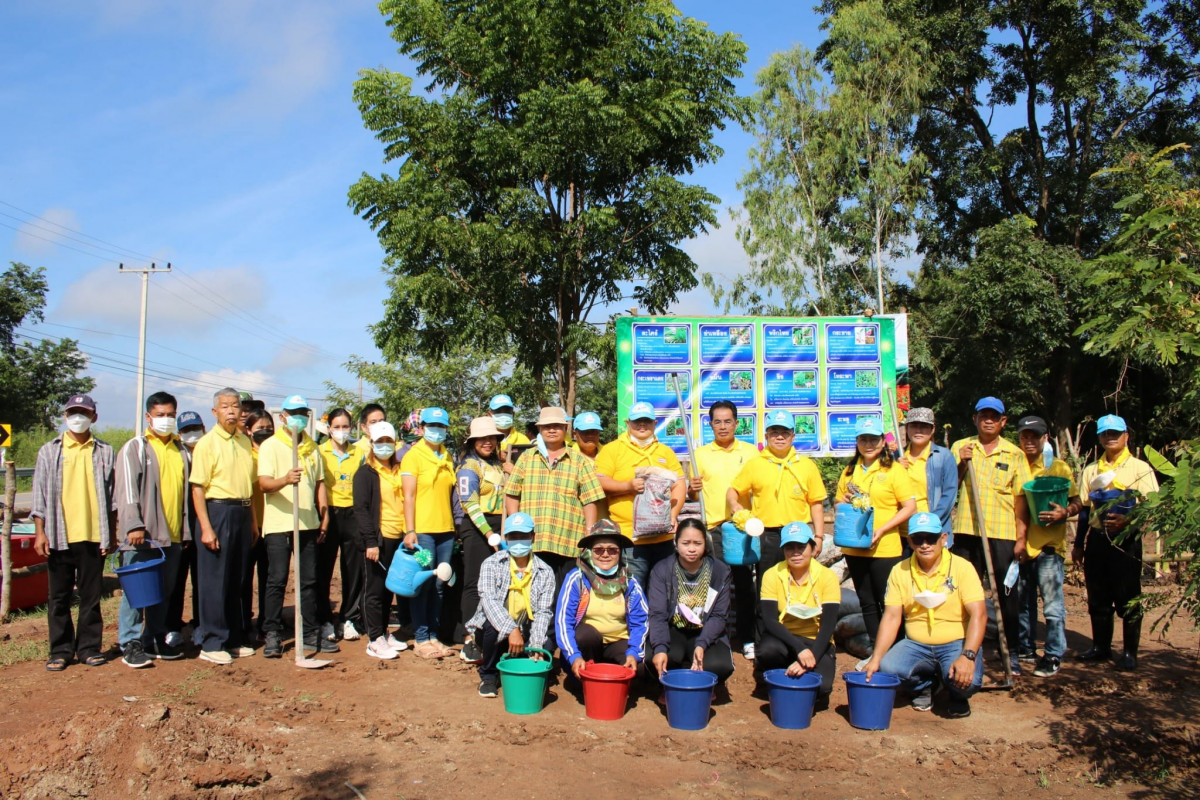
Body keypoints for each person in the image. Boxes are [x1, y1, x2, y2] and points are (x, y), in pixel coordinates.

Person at [867, 512, 986, 718]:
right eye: (918, 539)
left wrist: (968, 656)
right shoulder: (900, 570)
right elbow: (892, 617)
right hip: (916, 643)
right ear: (909, 542)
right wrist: (875, 658)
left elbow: (979, 615)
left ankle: (957, 695)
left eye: (931, 538)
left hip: (955, 640)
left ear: (943, 538)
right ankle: (924, 685)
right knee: (888, 669)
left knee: (969, 680)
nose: (925, 545)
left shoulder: (962, 567)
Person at [31, 394, 117, 671]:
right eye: (72, 413)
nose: (77, 418)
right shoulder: (49, 451)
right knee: (58, 597)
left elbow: (112, 496)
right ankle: (60, 649)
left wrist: (112, 534)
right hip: (58, 535)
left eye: (83, 413)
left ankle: (89, 648)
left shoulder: (105, 451)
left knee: (91, 597)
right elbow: (39, 497)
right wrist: (39, 532)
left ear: (93, 417)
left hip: (93, 535)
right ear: (66, 416)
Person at [950, 397, 1031, 676]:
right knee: (963, 592)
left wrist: (1021, 538)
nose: (988, 420)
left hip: (1002, 533)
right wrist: (962, 463)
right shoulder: (961, 447)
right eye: (983, 415)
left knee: (1006, 594)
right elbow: (950, 485)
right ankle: (964, 649)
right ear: (975, 419)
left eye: (994, 417)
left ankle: (1012, 653)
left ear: (1003, 422)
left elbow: (1021, 498)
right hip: (966, 531)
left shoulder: (1014, 454)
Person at [1074, 414, 1159, 671]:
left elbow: (1151, 507)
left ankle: (1130, 652)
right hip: (1098, 540)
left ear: (1126, 436)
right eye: (1104, 434)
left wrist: (1127, 521)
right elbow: (1085, 511)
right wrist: (1079, 544)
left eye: (1115, 433)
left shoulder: (1139, 468)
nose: (1109, 438)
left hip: (1126, 542)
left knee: (1128, 596)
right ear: (1099, 438)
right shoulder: (1091, 470)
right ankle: (1101, 647)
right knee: (1098, 595)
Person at [114, 391, 190, 668]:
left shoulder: (180, 450)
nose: (166, 420)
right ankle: (130, 642)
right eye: (160, 415)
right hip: (143, 535)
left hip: (172, 535)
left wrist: (186, 532)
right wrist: (134, 524)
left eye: (171, 415)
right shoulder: (136, 448)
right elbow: (126, 490)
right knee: (137, 590)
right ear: (149, 417)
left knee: (164, 590)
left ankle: (154, 637)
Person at [257, 395, 331, 658]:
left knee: (309, 580)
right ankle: (273, 633)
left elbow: (320, 483)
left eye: (303, 413)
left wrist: (324, 515)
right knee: (277, 580)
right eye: (294, 412)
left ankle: (310, 631)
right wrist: (285, 480)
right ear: (283, 416)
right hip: (279, 524)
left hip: (307, 523)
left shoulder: (312, 448)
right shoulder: (270, 446)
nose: (299, 417)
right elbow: (264, 484)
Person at [189, 387, 257, 665]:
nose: (231, 410)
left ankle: (232, 638)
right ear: (215, 412)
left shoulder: (244, 441)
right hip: (217, 511)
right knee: (214, 580)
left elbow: (249, 486)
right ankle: (212, 641)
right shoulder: (207, 443)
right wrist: (206, 527)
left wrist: (252, 522)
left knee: (237, 579)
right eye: (225, 406)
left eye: (235, 406)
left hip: (242, 511)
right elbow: (197, 489)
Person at [727, 409, 827, 597]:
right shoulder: (755, 464)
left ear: (793, 436)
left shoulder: (806, 466)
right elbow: (733, 489)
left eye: (785, 432)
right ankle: (764, 625)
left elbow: (816, 503)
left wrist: (819, 536)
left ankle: (796, 625)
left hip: (798, 535)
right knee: (767, 590)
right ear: (766, 435)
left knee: (799, 586)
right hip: (767, 536)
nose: (779, 437)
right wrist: (734, 504)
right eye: (774, 432)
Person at [837, 417, 917, 648]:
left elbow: (910, 507)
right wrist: (844, 501)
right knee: (867, 602)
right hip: (855, 547)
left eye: (874, 439)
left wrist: (881, 529)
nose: (868, 444)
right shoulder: (850, 471)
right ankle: (875, 647)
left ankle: (898, 648)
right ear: (857, 442)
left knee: (890, 602)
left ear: (883, 442)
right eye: (863, 439)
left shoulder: (894, 470)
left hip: (885, 548)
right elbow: (839, 502)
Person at [506, 406, 604, 590]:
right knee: (533, 590)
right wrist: (516, 527)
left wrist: (589, 533)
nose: (552, 430)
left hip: (568, 540)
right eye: (547, 426)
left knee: (564, 593)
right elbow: (512, 494)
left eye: (557, 426)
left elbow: (590, 499)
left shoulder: (578, 460)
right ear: (540, 430)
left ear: (565, 429)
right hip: (533, 539)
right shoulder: (526, 458)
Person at [692, 400, 760, 660]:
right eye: (717, 422)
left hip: (743, 528)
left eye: (727, 421)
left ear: (736, 423)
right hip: (713, 529)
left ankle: (747, 638)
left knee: (744, 585)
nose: (723, 426)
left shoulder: (752, 452)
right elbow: (691, 491)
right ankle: (712, 637)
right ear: (710, 425)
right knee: (713, 585)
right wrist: (691, 487)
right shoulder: (700, 454)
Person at [1014, 416, 1081, 678]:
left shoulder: (1059, 468)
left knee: (1052, 604)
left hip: (1049, 548)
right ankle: (1026, 648)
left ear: (1045, 438)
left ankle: (1053, 653)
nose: (1029, 441)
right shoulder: (1015, 465)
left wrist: (1065, 512)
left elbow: (1076, 501)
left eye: (1035, 436)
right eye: (1025, 436)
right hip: (1020, 546)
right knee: (1023, 603)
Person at [595, 402, 686, 588]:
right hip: (630, 539)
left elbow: (680, 483)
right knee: (633, 591)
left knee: (664, 591)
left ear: (655, 423)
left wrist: (673, 515)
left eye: (646, 421)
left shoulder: (665, 452)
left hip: (663, 538)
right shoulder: (613, 449)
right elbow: (598, 482)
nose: (642, 425)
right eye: (637, 421)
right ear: (628, 423)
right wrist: (627, 486)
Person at [466, 512, 556, 698]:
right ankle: (489, 675)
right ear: (506, 538)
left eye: (523, 536)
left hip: (527, 627)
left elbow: (543, 612)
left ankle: (522, 658)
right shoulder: (492, 563)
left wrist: (536, 645)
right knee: (491, 627)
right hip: (498, 627)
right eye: (513, 537)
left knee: (545, 646)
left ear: (533, 537)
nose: (518, 541)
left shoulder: (545, 571)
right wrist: (511, 630)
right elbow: (489, 601)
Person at [755, 521, 840, 704]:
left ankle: (798, 670)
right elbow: (769, 620)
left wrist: (811, 656)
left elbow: (828, 624)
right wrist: (800, 649)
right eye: (789, 547)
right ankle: (777, 676)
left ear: (813, 547)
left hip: (816, 638)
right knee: (767, 651)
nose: (795, 552)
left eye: (801, 547)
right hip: (784, 637)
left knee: (822, 687)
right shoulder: (772, 574)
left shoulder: (827, 576)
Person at [646, 518, 734, 689]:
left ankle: (704, 686)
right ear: (676, 543)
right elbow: (658, 614)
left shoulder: (719, 571)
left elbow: (718, 616)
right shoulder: (662, 569)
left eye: (698, 543)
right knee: (656, 657)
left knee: (719, 666)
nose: (692, 549)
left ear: (705, 544)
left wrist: (702, 644)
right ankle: (669, 686)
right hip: (674, 629)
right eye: (686, 543)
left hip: (705, 629)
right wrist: (660, 648)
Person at [556, 520, 649, 681]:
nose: (605, 554)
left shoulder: (630, 583)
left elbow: (640, 621)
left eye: (612, 550)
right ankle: (584, 676)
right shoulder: (577, 578)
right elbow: (563, 621)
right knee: (585, 635)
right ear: (590, 551)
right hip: (587, 646)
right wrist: (574, 656)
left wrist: (634, 653)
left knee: (640, 668)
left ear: (620, 553)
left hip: (619, 641)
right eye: (598, 550)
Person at [400, 406, 457, 659]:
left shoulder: (447, 456)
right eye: (432, 426)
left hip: (446, 532)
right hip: (422, 533)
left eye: (441, 427)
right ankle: (421, 638)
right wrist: (410, 530)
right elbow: (408, 495)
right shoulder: (413, 456)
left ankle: (434, 635)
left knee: (440, 584)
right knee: (422, 584)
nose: (437, 431)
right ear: (422, 428)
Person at [354, 422, 411, 659]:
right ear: (372, 444)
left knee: (389, 589)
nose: (385, 446)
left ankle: (384, 632)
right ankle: (374, 638)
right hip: (378, 538)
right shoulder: (365, 473)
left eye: (388, 441)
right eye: (380, 442)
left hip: (398, 538)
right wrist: (370, 542)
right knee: (374, 590)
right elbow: (361, 509)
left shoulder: (400, 469)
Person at [454, 416, 506, 664]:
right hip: (477, 528)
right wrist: (489, 534)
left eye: (492, 438)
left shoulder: (497, 464)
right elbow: (470, 504)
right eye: (482, 438)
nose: (488, 442)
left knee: (496, 585)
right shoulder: (468, 467)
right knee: (474, 583)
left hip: (499, 527)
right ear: (472, 441)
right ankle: (469, 639)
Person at [317, 408, 365, 643]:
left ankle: (349, 618)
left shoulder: (359, 453)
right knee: (323, 569)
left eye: (346, 426)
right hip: (328, 515)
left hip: (353, 515)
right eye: (337, 427)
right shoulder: (319, 452)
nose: (341, 431)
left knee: (352, 569)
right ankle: (324, 619)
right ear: (329, 429)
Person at [165, 410, 206, 647]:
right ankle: (172, 626)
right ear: (179, 434)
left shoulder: (209, 451)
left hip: (203, 528)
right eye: (187, 430)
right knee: (176, 580)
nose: (193, 434)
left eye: (196, 428)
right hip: (179, 529)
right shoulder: (176, 454)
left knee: (202, 580)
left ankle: (201, 623)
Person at [897, 407, 957, 547]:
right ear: (907, 428)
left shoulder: (943, 456)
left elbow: (949, 494)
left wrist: (930, 522)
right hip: (901, 532)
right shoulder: (896, 457)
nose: (919, 431)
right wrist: (895, 469)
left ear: (933, 429)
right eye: (914, 426)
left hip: (932, 532)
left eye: (924, 426)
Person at [241, 408, 273, 642]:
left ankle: (267, 623)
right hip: (251, 526)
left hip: (273, 526)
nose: (264, 432)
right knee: (244, 578)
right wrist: (254, 524)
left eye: (268, 428)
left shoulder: (275, 452)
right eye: (259, 428)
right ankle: (243, 622)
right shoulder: (244, 454)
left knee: (270, 578)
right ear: (248, 430)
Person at [487, 394, 530, 471]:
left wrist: (515, 470)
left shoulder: (524, 440)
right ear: (489, 414)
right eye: (498, 411)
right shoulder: (482, 439)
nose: (503, 414)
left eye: (507, 411)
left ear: (513, 414)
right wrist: (496, 457)